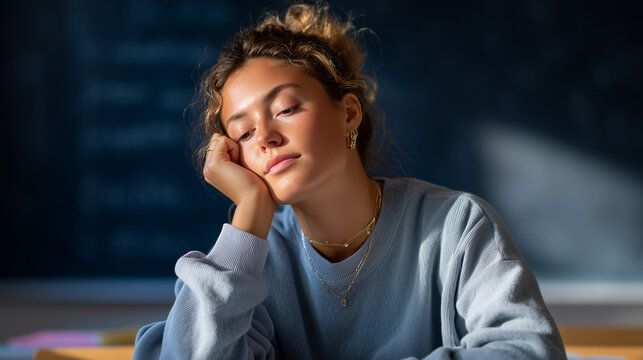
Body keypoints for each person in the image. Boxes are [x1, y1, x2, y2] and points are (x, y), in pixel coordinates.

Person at [133, 3, 567, 359]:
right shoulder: (252, 263)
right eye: (243, 133)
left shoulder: (457, 225)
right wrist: (248, 215)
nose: (264, 137)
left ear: (349, 114)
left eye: (285, 109)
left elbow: (529, 351)